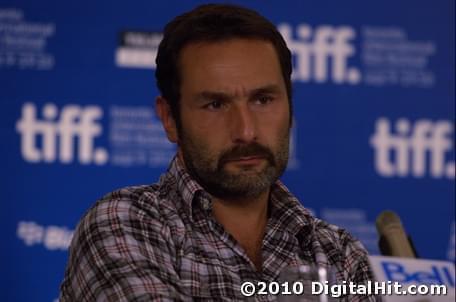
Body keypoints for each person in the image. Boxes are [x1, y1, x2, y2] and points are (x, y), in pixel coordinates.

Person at [60, 3, 379, 301]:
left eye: (263, 100)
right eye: (215, 104)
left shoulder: (339, 253)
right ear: (170, 119)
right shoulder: (123, 223)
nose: (246, 131)